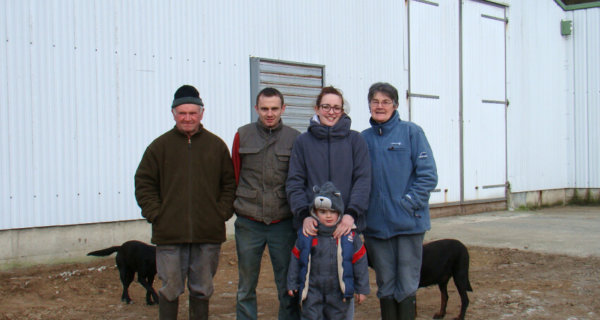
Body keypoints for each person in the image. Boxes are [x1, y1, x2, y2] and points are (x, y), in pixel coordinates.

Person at [134, 84, 236, 320]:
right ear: (173, 113)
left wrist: (220, 213)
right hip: (169, 234)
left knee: (202, 289)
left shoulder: (216, 146)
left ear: (202, 113)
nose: (187, 118)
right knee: (170, 289)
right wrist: (156, 214)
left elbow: (229, 184)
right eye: (182, 113)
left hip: (207, 235)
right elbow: (144, 183)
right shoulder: (159, 147)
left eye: (192, 113)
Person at [360, 82, 438, 320]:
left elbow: (428, 175)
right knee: (385, 282)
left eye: (385, 102)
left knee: (406, 283)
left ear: (395, 105)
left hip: (407, 224)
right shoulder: (363, 139)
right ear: (369, 105)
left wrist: (408, 204)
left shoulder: (411, 133)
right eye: (375, 102)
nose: (380, 106)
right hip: (376, 226)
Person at [231, 87, 301, 319]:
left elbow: (300, 178)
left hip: (283, 222)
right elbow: (234, 174)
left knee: (287, 283)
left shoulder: (295, 138)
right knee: (246, 285)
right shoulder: (243, 135)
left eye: (274, 108)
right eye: (264, 109)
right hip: (249, 222)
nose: (269, 114)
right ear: (256, 109)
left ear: (283, 109)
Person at [286, 86, 371, 240]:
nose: (331, 112)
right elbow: (295, 182)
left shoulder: (355, 140)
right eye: (326, 107)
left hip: (346, 226)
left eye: (336, 108)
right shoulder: (303, 142)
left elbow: (363, 180)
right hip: (312, 228)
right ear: (317, 109)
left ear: (342, 111)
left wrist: (351, 214)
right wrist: (304, 215)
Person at [287, 181, 369, 320]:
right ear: (315, 212)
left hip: (338, 291)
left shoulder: (349, 237)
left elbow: (360, 263)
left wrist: (362, 289)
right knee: (309, 316)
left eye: (333, 212)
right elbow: (296, 260)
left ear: (340, 212)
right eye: (323, 212)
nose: (328, 216)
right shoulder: (307, 235)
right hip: (312, 290)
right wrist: (292, 283)